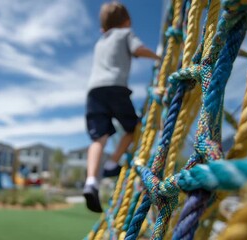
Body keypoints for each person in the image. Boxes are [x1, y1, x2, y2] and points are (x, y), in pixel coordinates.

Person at [83, 2, 160, 213]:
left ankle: (91, 182)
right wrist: (158, 57)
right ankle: (111, 164)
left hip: (94, 91)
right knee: (133, 127)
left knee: (98, 138)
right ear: (126, 21)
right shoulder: (125, 33)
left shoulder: (100, 42)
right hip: (116, 87)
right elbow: (138, 49)